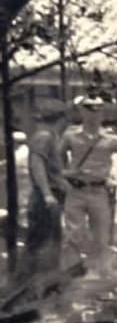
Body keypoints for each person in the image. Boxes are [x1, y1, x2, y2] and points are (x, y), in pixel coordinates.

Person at [59, 94, 117, 267]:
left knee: (102, 236)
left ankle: (103, 273)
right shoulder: (71, 136)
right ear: (82, 111)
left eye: (98, 110)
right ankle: (73, 272)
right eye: (89, 109)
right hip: (76, 190)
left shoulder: (111, 138)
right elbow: (57, 161)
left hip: (99, 191)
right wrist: (67, 174)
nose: (94, 114)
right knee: (74, 235)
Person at [23, 108, 67, 278]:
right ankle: (31, 279)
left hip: (52, 194)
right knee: (41, 240)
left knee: (52, 238)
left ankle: (46, 278)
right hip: (46, 197)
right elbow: (37, 164)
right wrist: (47, 193)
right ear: (61, 119)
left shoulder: (51, 137)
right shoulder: (44, 137)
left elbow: (51, 169)